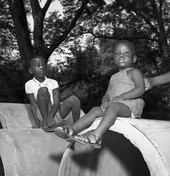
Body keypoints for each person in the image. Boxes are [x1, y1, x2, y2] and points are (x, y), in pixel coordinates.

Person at [54, 40, 145, 148]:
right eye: (117, 53)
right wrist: (105, 101)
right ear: (113, 58)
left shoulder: (134, 72)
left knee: (114, 107)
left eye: (126, 53)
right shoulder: (113, 77)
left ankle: (96, 137)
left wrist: (122, 97)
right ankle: (73, 129)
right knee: (95, 110)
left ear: (134, 58)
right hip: (113, 106)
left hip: (131, 106)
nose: (121, 56)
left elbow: (140, 89)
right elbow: (107, 94)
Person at [25, 56, 81, 131]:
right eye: (38, 66)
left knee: (74, 99)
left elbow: (57, 102)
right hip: (42, 115)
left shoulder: (53, 82)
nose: (41, 67)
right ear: (31, 70)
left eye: (44, 66)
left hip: (54, 113)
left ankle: (77, 128)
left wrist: (50, 117)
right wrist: (37, 125)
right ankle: (45, 124)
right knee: (43, 90)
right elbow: (33, 106)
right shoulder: (29, 84)